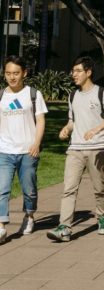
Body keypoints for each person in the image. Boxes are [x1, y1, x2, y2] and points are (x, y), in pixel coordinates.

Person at [47, 56, 104, 242]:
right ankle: (64, 227)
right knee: (69, 188)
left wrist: (97, 129)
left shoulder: (102, 93)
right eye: (73, 71)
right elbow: (73, 121)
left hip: (97, 147)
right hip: (75, 147)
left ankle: (103, 218)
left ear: (88, 72)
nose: (74, 75)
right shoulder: (73, 96)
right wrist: (66, 128)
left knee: (99, 188)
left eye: (78, 71)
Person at [0, 56, 48, 241]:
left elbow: (41, 121)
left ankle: (29, 216)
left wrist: (36, 143)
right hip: (5, 150)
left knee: (29, 188)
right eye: (8, 73)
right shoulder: (2, 95)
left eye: (16, 73)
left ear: (24, 73)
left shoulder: (33, 94)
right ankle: (2, 225)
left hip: (28, 150)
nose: (12, 77)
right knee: (2, 189)